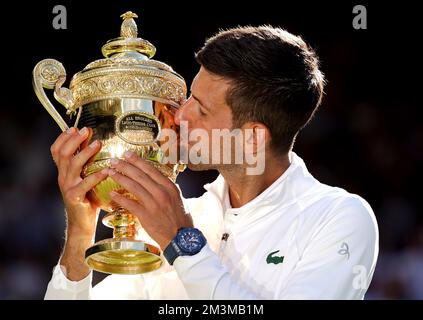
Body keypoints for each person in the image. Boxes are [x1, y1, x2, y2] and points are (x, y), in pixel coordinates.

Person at [44, 26, 378, 299]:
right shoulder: (176, 220)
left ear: (252, 138)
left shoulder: (339, 217)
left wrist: (182, 242)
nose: (180, 115)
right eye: (189, 96)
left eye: (201, 109)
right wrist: (80, 233)